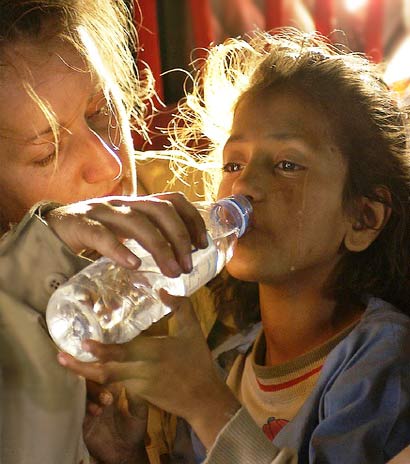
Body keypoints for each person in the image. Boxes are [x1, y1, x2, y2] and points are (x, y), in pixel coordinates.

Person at [59, 29, 410, 463]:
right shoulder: (228, 360)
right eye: (233, 163)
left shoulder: (381, 356)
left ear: (364, 218)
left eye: (286, 165)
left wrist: (208, 407)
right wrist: (126, 454)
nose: (243, 185)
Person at [0, 1, 208, 463]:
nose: (110, 163)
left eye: (101, 112)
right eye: (46, 152)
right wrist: (31, 264)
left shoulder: (200, 200)